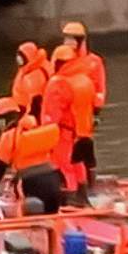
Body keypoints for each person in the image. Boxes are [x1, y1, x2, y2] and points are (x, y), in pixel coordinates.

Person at [0, 97, 66, 215]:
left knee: (27, 212)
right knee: (52, 213)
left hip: (29, 182)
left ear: (3, 120)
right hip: (53, 178)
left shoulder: (9, 136)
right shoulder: (38, 128)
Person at [52, 43, 100, 195]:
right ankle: (84, 191)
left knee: (66, 165)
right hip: (82, 131)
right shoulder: (84, 81)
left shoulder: (62, 84)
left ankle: (71, 194)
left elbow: (56, 112)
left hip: (66, 131)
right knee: (79, 164)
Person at [40, 48, 81, 202]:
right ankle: (74, 193)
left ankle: (69, 197)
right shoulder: (77, 80)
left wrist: (47, 132)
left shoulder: (56, 83)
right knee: (71, 164)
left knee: (62, 165)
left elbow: (53, 112)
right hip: (72, 129)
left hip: (60, 131)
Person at [10, 41, 50, 119]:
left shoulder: (33, 77)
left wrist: (26, 119)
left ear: (28, 57)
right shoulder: (34, 66)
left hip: (25, 110)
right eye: (18, 56)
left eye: (21, 57)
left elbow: (35, 106)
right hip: (21, 106)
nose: (18, 59)